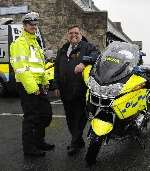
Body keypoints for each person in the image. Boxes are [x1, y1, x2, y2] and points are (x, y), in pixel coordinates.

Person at [10, 12, 55, 157]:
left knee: (46, 114)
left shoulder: (35, 42)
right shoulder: (19, 43)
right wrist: (33, 87)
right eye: (31, 24)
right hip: (27, 86)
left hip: (39, 85)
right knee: (31, 117)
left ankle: (39, 141)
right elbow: (21, 68)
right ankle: (29, 148)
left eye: (36, 24)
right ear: (24, 26)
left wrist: (44, 82)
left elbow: (39, 67)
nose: (34, 27)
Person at [54, 25, 100, 156]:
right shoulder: (63, 49)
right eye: (70, 33)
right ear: (67, 35)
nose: (73, 35)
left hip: (80, 89)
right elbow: (57, 69)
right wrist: (56, 86)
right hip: (65, 89)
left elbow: (97, 55)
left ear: (80, 34)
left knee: (80, 118)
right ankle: (79, 141)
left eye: (76, 33)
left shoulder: (87, 46)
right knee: (70, 118)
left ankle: (74, 143)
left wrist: (84, 63)